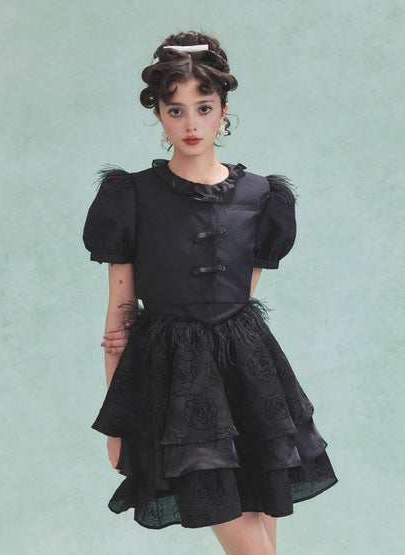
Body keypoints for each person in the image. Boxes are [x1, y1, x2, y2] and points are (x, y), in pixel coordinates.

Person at [83, 31, 338, 555]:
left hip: (251, 374)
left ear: (223, 110)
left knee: (261, 525)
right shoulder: (131, 196)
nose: (191, 124)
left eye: (204, 108)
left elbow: (240, 301)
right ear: (158, 115)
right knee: (245, 534)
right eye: (175, 110)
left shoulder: (262, 196)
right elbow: (120, 317)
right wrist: (120, 422)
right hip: (171, 378)